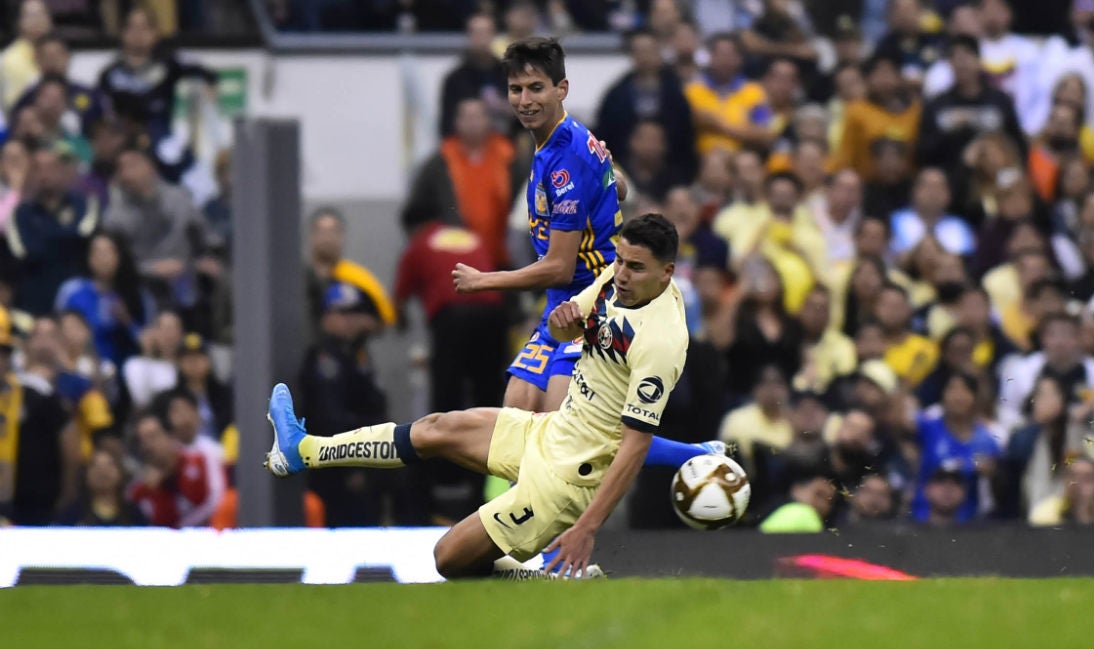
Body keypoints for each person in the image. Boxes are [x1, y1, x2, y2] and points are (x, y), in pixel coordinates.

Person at [268, 214, 689, 579]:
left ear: (667, 272)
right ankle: (302, 450)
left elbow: (634, 445)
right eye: (619, 261)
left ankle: (540, 579)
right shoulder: (615, 281)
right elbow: (568, 330)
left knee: (448, 557)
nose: (621, 274)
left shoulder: (662, 342)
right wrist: (563, 325)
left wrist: (589, 527)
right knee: (437, 428)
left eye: (635, 267)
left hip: (568, 478)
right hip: (551, 430)